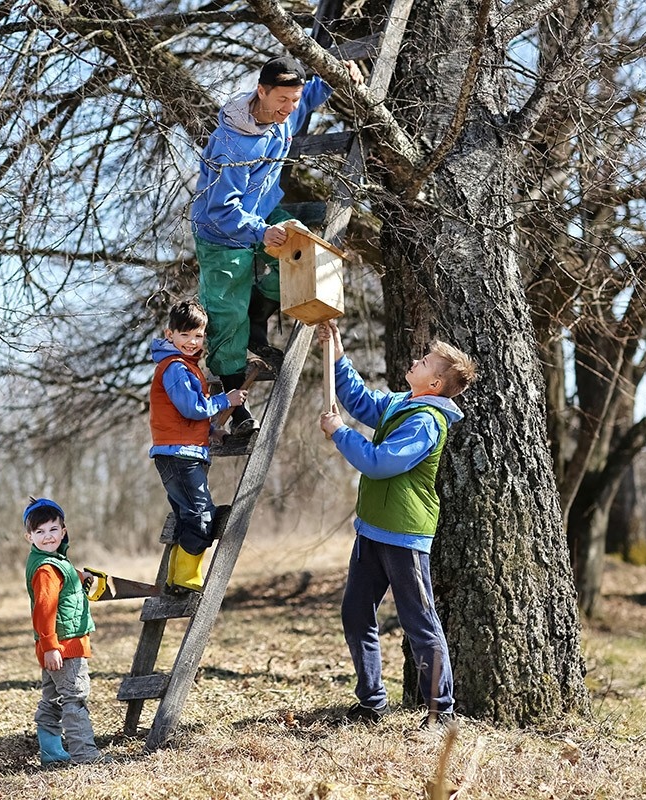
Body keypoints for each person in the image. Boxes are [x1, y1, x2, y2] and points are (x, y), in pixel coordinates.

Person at [316, 320, 479, 728]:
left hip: (405, 535)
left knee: (419, 623)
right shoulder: (403, 403)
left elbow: (381, 462)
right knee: (356, 614)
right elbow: (360, 400)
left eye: (424, 362)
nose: (416, 360)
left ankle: (442, 712)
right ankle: (371, 702)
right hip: (371, 529)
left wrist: (339, 433)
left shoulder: (425, 421)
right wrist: (337, 353)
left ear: (436, 385)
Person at [191, 54, 362, 436]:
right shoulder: (230, 145)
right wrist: (259, 232)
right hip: (221, 233)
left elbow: (311, 96)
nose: (289, 108)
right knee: (227, 315)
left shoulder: (284, 115)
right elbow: (222, 209)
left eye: (294, 100)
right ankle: (236, 407)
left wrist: (337, 76)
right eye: (281, 99)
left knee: (303, 255)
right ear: (261, 91)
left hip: (264, 215)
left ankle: (257, 320)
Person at [149, 298, 247, 593]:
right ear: (170, 335)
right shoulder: (176, 368)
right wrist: (223, 401)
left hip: (183, 451)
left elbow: (187, 416)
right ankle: (185, 579)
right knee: (202, 515)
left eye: (198, 336)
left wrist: (211, 431)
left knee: (187, 516)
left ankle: (175, 579)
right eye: (185, 335)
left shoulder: (185, 367)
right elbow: (190, 407)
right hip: (179, 454)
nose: (192, 342)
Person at [23, 497, 107, 766]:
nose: (47, 537)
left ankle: (51, 752)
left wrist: (79, 576)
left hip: (57, 646)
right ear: (29, 536)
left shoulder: (53, 561)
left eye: (52, 529)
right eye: (40, 532)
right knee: (74, 698)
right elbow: (44, 609)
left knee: (53, 698)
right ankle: (85, 754)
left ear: (63, 530)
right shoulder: (47, 568)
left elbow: (63, 580)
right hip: (63, 647)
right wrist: (50, 645)